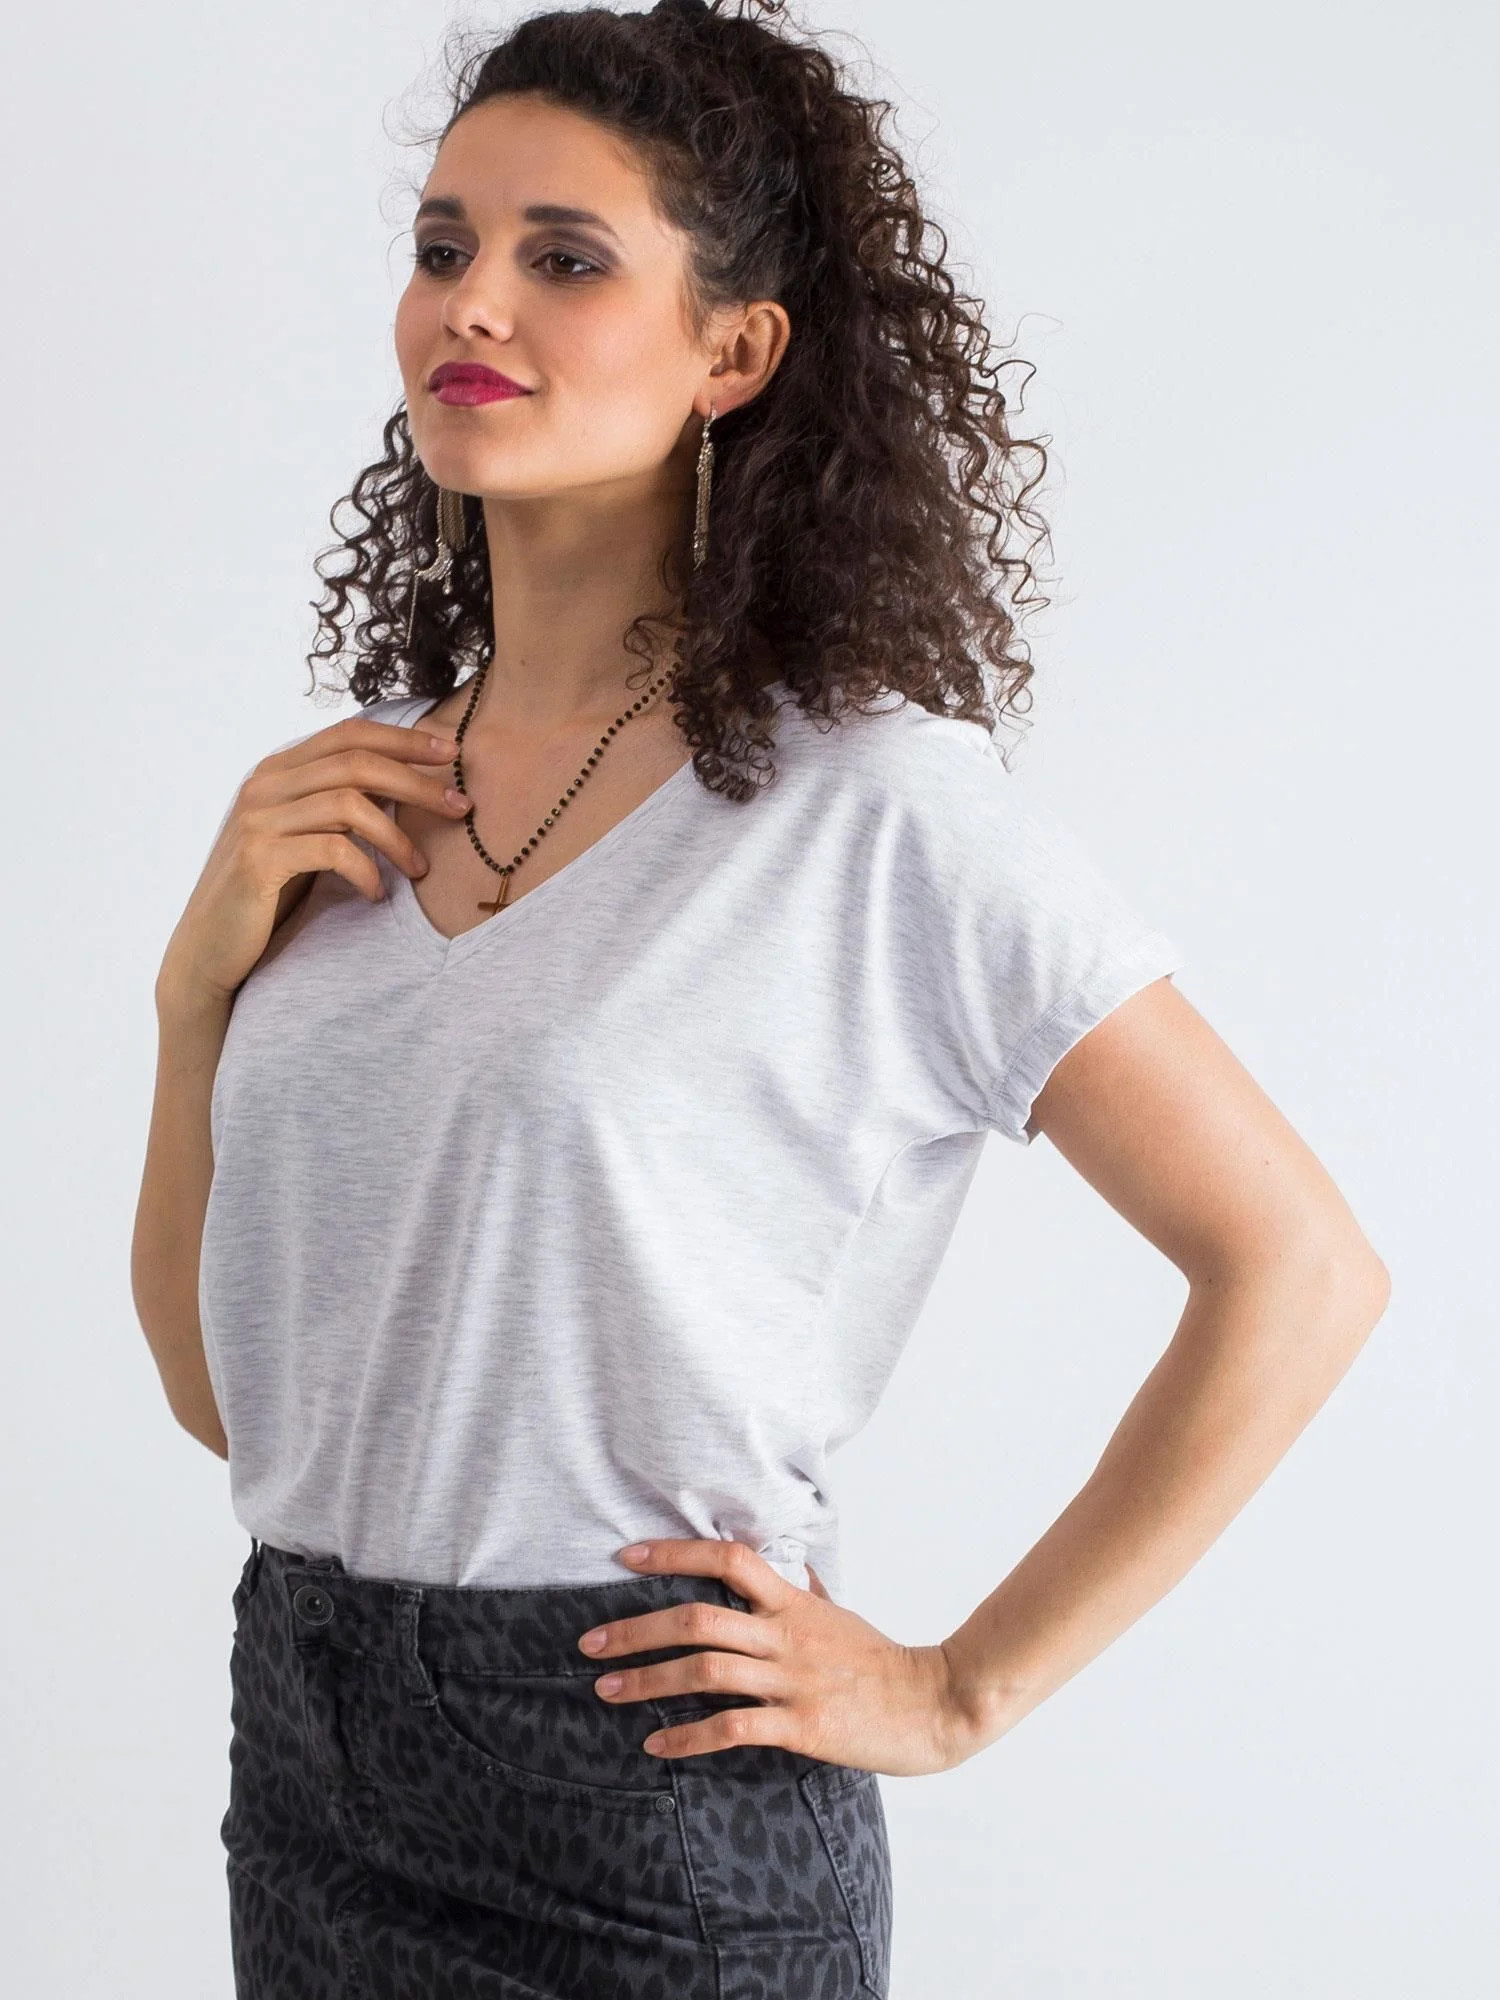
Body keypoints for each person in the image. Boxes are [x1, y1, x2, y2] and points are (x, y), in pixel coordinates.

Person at [130, 2, 1390, 1993]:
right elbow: (229, 1399)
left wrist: (957, 1688)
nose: (474, 301)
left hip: (644, 1778)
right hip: (304, 1750)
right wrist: (191, 1003)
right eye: (446, 245)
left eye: (566, 257)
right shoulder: (341, 807)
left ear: (733, 351)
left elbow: (1300, 1268)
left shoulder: (868, 808)